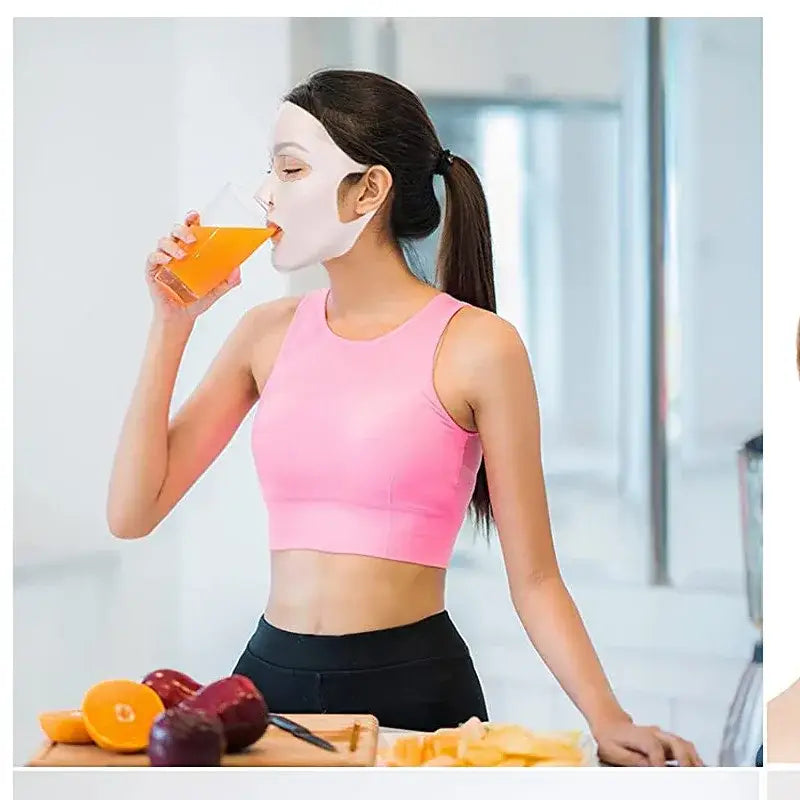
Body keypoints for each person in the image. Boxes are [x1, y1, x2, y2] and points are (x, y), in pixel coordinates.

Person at [107, 69, 702, 767]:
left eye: (292, 169)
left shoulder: (480, 346)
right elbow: (132, 512)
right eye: (269, 171)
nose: (267, 195)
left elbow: (535, 578)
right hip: (266, 689)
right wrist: (170, 324)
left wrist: (609, 718)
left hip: (417, 691)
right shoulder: (264, 335)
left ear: (370, 188)